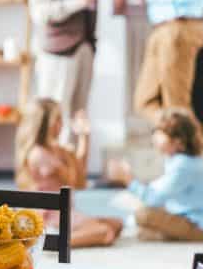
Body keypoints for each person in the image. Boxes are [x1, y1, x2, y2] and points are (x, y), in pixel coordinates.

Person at [30, 0, 125, 141]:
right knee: (56, 112)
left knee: (79, 114)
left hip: (85, 49)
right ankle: (55, 167)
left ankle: (73, 166)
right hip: (58, 54)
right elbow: (39, 13)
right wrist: (76, 2)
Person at [15, 98, 123, 247]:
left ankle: (61, 238)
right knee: (106, 232)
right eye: (57, 119)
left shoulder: (57, 150)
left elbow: (80, 176)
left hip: (64, 211)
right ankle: (53, 242)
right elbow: (76, 182)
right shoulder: (38, 154)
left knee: (116, 224)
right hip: (50, 215)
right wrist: (70, 154)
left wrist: (84, 137)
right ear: (44, 124)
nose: (61, 124)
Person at [108, 108, 203, 241]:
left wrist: (128, 179)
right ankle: (160, 234)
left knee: (144, 214)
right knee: (149, 211)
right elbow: (157, 190)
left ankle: (163, 235)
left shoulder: (183, 166)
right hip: (191, 217)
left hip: (202, 228)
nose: (155, 136)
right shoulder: (177, 161)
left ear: (178, 142)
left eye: (161, 132)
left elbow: (153, 198)